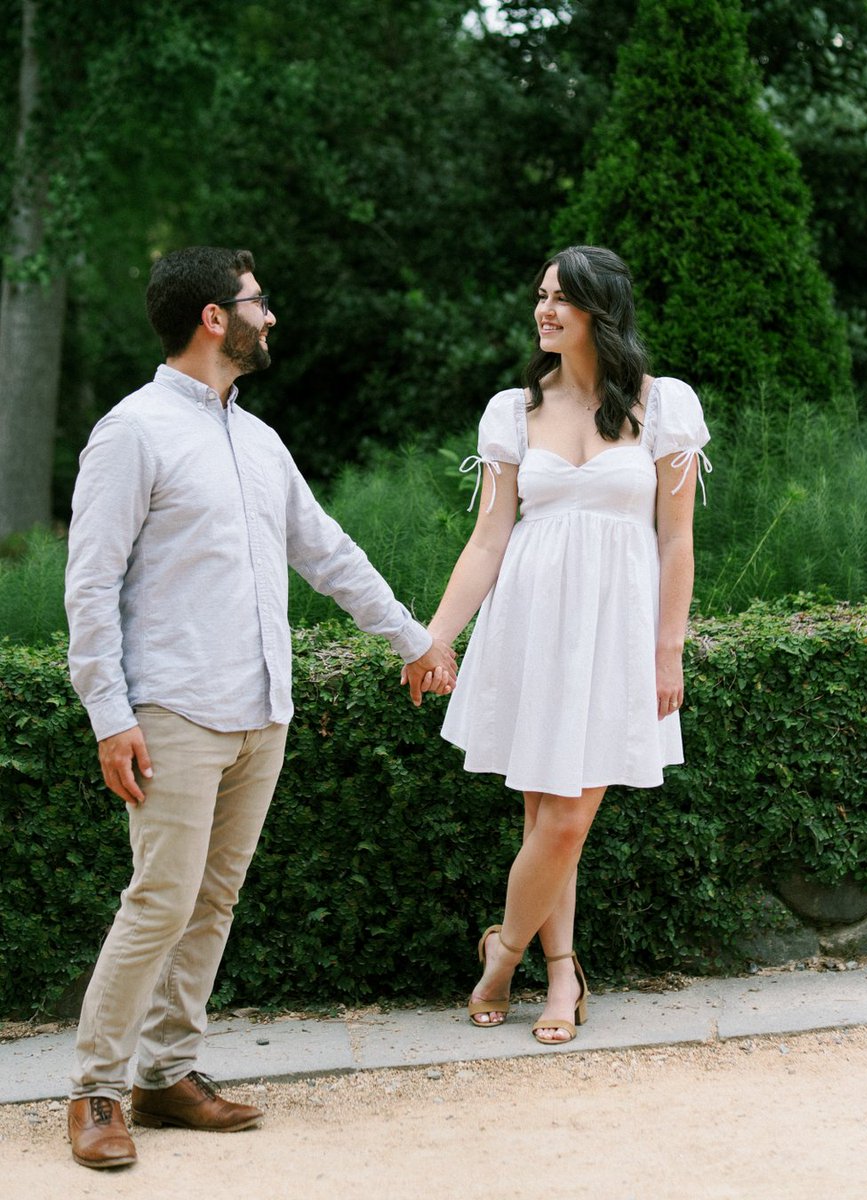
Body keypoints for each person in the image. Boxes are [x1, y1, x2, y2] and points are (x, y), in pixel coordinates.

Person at [63, 246, 456, 1170]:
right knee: (158, 900)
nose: (269, 316)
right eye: (256, 302)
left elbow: (326, 552)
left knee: (214, 900)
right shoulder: (133, 432)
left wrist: (413, 638)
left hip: (259, 708)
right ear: (212, 317)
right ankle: (95, 1091)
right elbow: (90, 587)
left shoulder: (259, 437)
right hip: (171, 709)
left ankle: (167, 1074)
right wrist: (108, 715)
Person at [411, 245, 710, 1045]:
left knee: (568, 819)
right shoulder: (513, 409)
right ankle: (562, 971)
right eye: (541, 296)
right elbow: (487, 540)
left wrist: (668, 649)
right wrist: (435, 638)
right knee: (545, 810)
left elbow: (676, 542)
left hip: (617, 632)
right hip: (531, 624)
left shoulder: (663, 406)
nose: (544, 310)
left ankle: (502, 954)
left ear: (600, 312)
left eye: (562, 299)